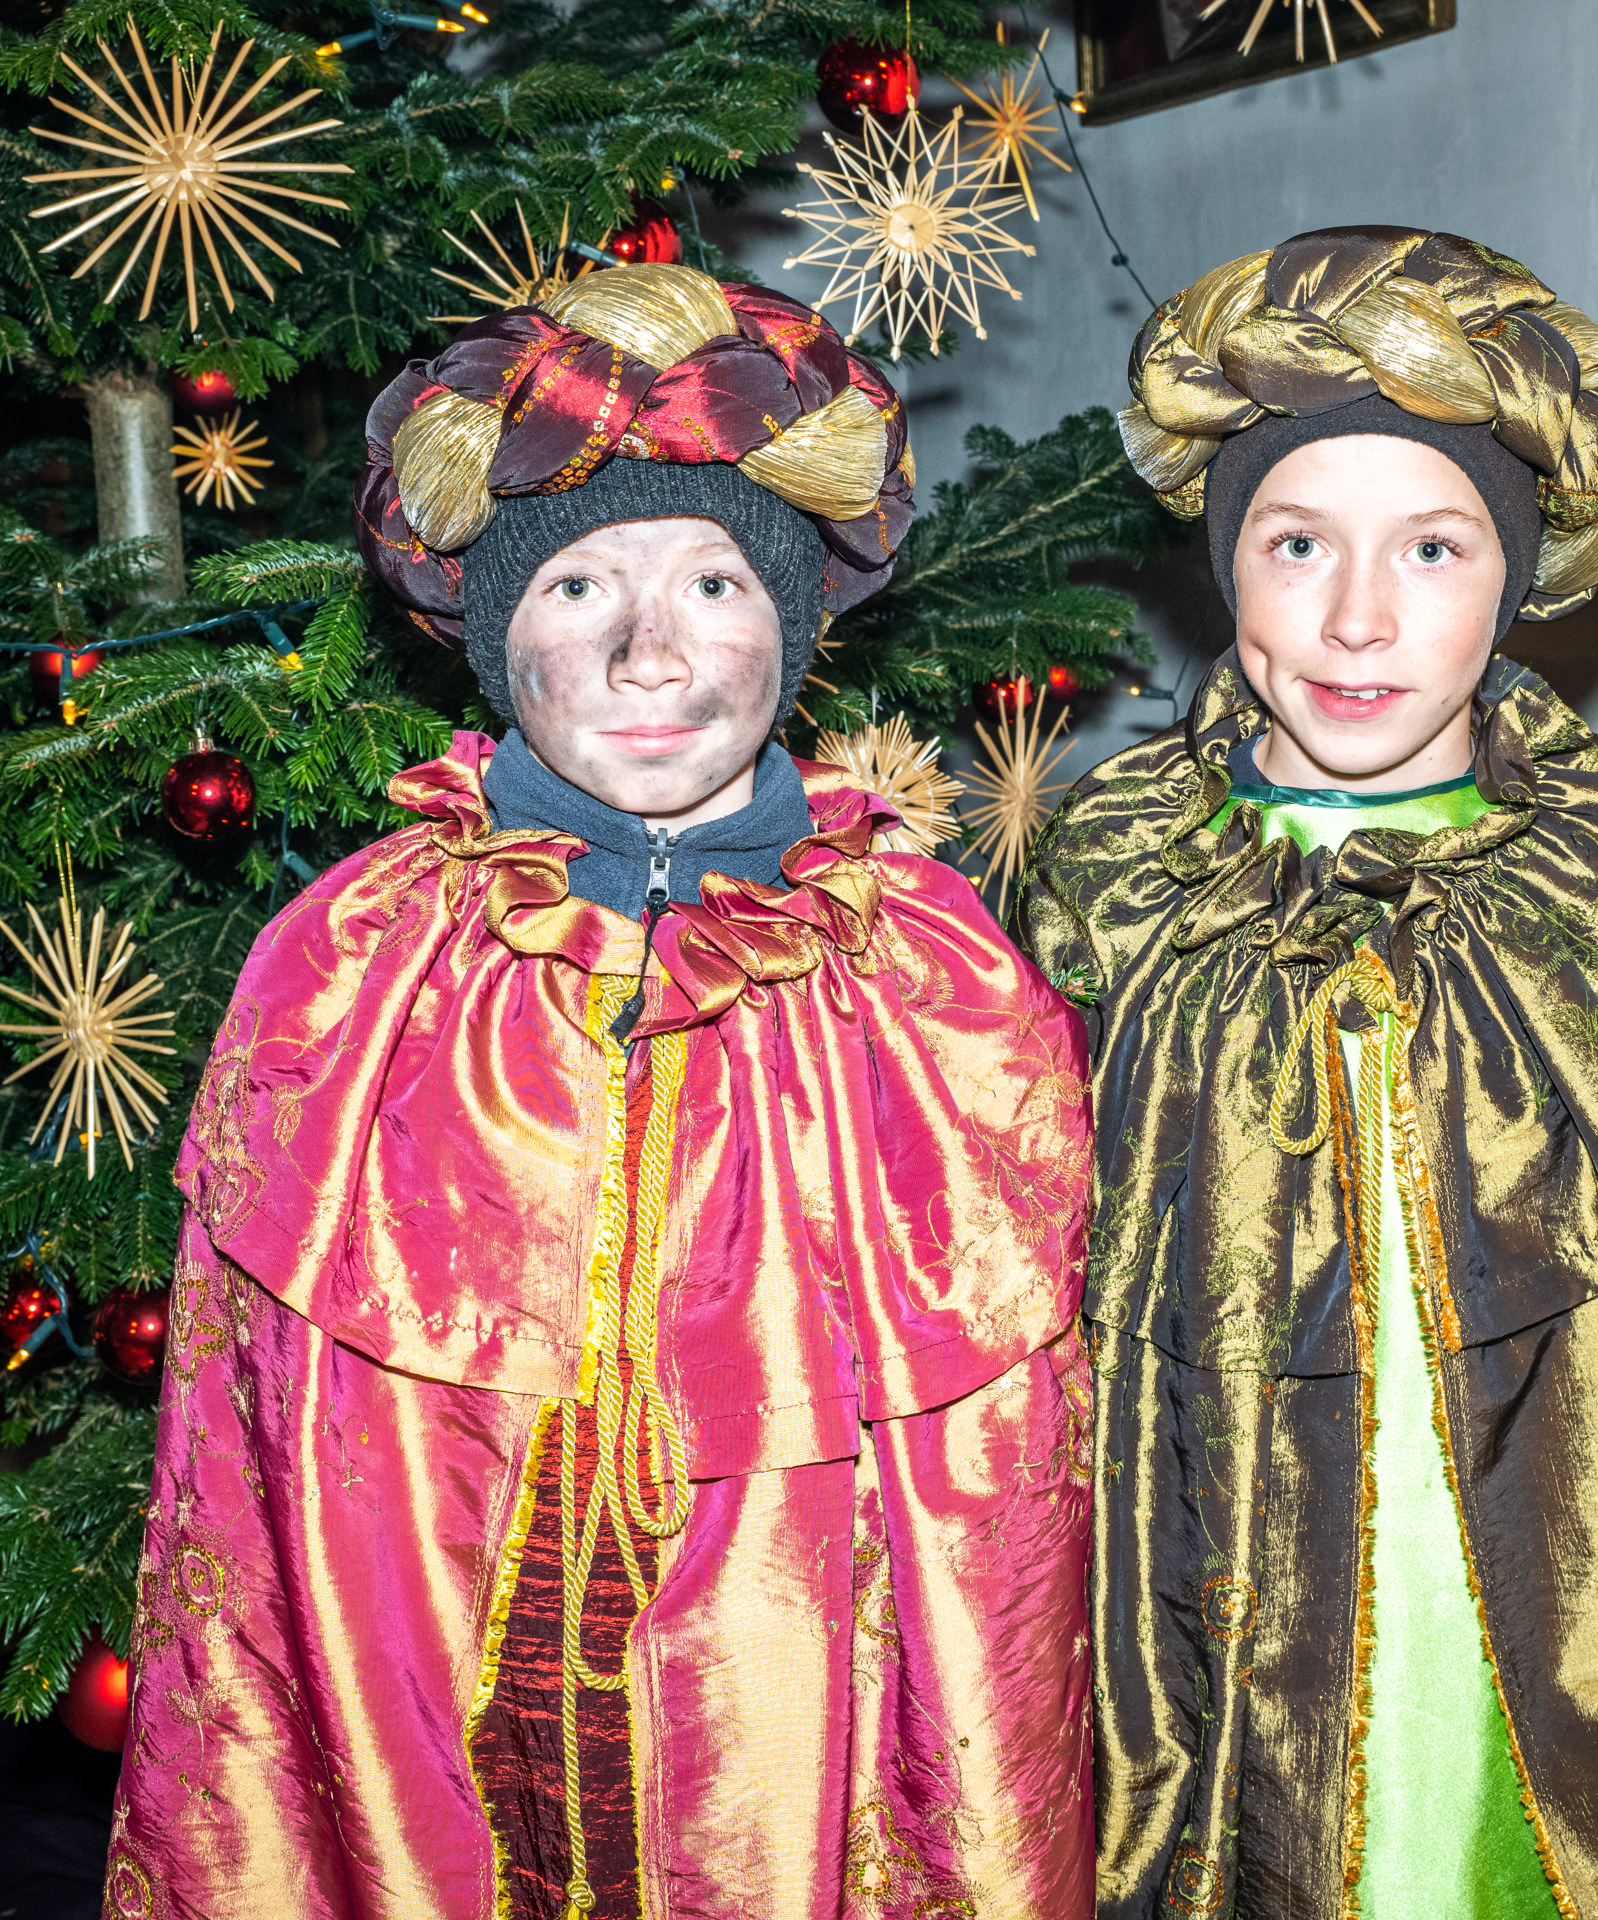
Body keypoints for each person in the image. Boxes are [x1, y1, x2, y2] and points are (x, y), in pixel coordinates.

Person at [105, 263, 1095, 1920]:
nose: (649, 652)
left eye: (714, 581)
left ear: (795, 623)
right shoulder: (352, 963)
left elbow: (999, 1507)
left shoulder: (933, 977)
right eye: (576, 586)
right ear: (497, 641)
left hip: (792, 1756)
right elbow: (249, 1470)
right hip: (425, 1730)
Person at [1018, 228, 1598, 1919]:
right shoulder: (1114, 867)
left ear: (1518, 573)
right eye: (1296, 542)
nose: (1356, 617)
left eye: (1432, 546)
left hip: (1561, 1609)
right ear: (1225, 562)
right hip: (1209, 1589)